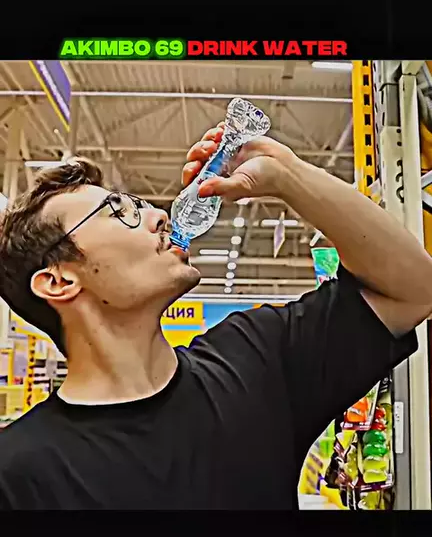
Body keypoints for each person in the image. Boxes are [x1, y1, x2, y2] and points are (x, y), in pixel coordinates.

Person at [0, 122, 430, 510]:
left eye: (138, 203)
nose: (158, 215)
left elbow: (413, 290)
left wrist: (287, 175)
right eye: (119, 211)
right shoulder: (19, 476)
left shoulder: (253, 357)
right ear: (58, 281)